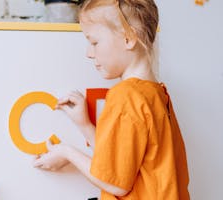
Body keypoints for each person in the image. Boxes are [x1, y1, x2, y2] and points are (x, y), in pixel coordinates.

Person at [33, 0, 190, 199]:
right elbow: (121, 160)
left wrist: (66, 152)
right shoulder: (156, 94)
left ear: (128, 38)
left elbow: (114, 182)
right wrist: (85, 125)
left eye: (94, 42)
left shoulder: (125, 96)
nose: (89, 53)